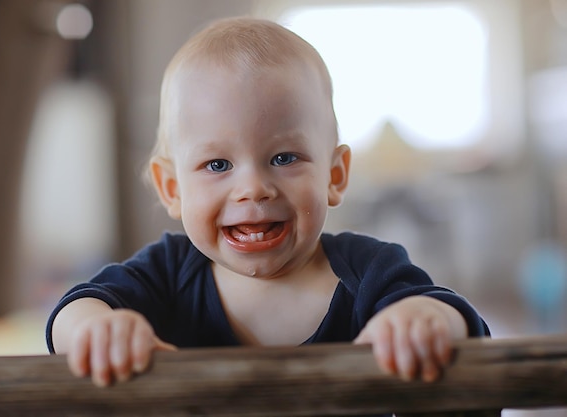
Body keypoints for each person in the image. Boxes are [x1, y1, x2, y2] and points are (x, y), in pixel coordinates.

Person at [46, 17, 490, 392]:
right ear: (172, 188)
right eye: (218, 164)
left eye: (284, 158)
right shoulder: (167, 273)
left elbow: (461, 322)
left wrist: (422, 320)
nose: (254, 189)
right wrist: (94, 330)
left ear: (334, 175)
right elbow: (74, 310)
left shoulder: (368, 271)